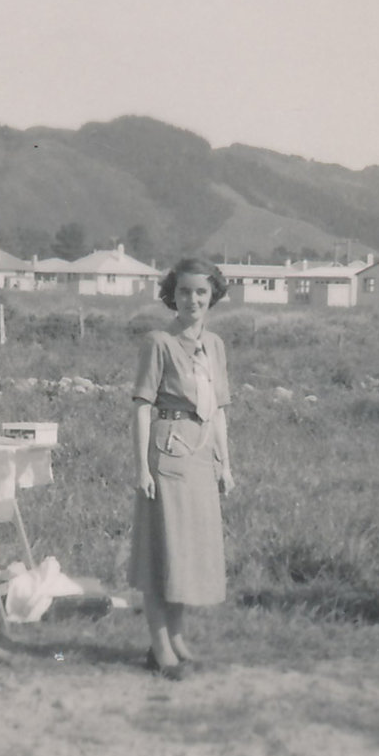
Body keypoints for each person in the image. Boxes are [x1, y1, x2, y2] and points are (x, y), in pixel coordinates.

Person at [128, 257, 234, 681]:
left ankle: (176, 636)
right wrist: (142, 467)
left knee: (186, 552)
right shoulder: (159, 342)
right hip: (167, 451)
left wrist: (225, 463)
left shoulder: (215, 346)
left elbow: (219, 410)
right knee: (163, 550)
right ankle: (159, 648)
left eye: (201, 292)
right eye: (184, 291)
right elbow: (141, 407)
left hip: (201, 454)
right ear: (172, 295)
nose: (193, 299)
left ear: (213, 296)